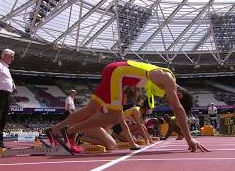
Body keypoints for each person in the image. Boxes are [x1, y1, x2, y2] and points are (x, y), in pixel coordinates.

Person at [47, 60, 210, 153]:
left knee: (91, 109)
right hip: (119, 73)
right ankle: (68, 132)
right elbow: (178, 109)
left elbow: (138, 89)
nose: (169, 101)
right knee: (112, 115)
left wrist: (123, 103)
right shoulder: (168, 79)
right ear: (179, 96)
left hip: (121, 76)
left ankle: (54, 131)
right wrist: (189, 139)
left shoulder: (158, 86)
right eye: (172, 99)